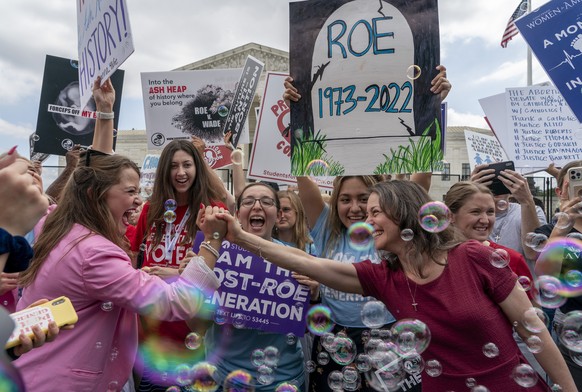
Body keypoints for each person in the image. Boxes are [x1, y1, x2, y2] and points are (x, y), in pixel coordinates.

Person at [216, 180, 576, 391]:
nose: (366, 219)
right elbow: (308, 263)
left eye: (375, 212)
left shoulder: (473, 257)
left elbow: (535, 333)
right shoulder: (385, 279)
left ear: (404, 213)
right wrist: (241, 236)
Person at [130, 138, 227, 391]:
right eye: (173, 166)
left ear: (198, 168)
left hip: (191, 328)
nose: (181, 173)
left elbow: (218, 268)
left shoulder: (212, 211)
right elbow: (132, 256)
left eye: (187, 165)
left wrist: (172, 273)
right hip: (149, 326)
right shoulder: (151, 209)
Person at [202, 182, 306, 391]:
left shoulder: (299, 259)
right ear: (238, 214)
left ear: (277, 216)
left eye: (266, 202)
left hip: (284, 380)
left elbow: (312, 322)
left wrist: (314, 294)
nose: (257, 206)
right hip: (225, 379)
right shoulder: (215, 256)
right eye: (249, 201)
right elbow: (196, 324)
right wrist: (196, 276)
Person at [534, 160, 582, 388]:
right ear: (560, 191)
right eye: (576, 182)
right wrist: (564, 223)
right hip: (573, 331)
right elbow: (546, 275)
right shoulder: (548, 232)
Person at [470, 164, 547, 267]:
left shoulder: (533, 211)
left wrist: (527, 201)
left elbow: (533, 253)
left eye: (502, 180)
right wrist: (468, 195)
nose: (495, 186)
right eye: (490, 180)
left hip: (519, 280)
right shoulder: (468, 215)